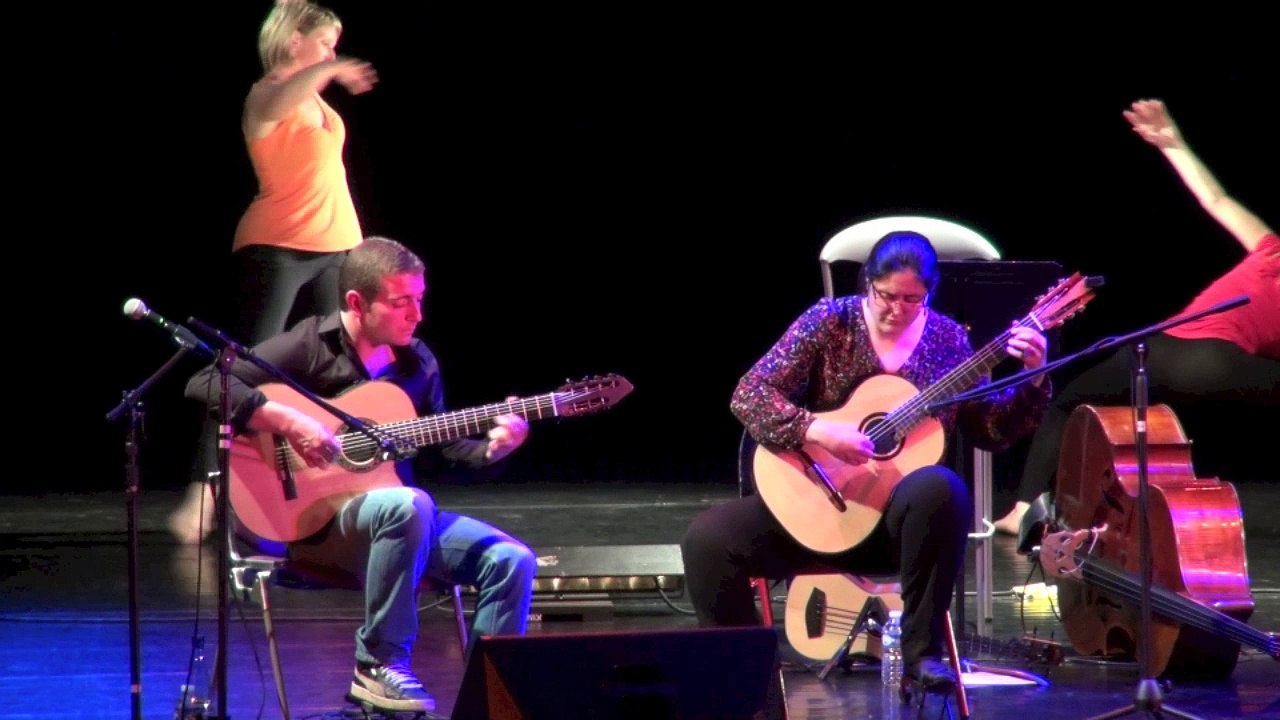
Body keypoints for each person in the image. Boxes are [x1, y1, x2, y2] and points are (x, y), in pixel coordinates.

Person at [681, 231, 1051, 693]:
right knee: (708, 540)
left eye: (912, 299)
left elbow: (991, 431)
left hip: (893, 531)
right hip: (814, 513)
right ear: (867, 285)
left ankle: (923, 657)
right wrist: (820, 431)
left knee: (942, 488)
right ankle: (742, 677)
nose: (897, 309)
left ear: (929, 294)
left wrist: (1034, 380)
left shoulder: (947, 339)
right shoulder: (830, 322)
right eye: (887, 296)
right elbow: (750, 394)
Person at [183, 236, 537, 713]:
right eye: (401, 303)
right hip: (313, 527)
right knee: (408, 503)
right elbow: (204, 382)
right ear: (356, 302)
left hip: (395, 529)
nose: (417, 315)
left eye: (419, 300)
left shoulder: (418, 361)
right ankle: (377, 664)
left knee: (511, 560)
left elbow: (448, 446)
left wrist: (494, 448)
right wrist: (289, 420)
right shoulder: (309, 346)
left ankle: (486, 705)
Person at [994, 98, 1280, 536]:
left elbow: (1216, 199)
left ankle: (1021, 509)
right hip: (1217, 361)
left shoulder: (1273, 249)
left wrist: (1173, 144)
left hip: (1161, 351)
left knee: (1070, 400)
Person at [168, 0, 378, 543]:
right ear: (294, 42)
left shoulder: (315, 102)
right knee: (237, 375)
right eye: (325, 43)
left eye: (335, 47)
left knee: (340, 375)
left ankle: (331, 493)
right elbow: (284, 95)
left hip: (336, 251)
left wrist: (356, 251)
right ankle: (203, 496)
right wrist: (330, 68)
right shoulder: (268, 95)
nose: (332, 54)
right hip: (277, 249)